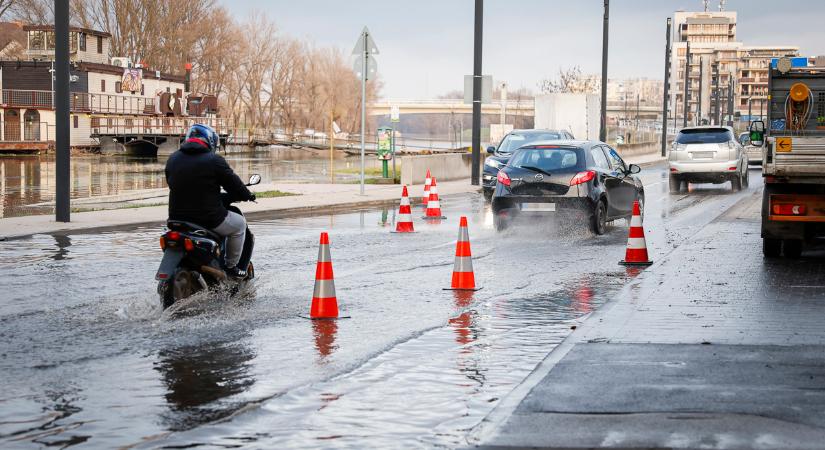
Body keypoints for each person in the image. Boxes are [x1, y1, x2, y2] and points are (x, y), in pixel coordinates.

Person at [165, 124, 255, 278]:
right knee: (239, 224)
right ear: (211, 142)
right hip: (208, 218)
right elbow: (234, 184)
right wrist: (247, 195)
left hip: (175, 219)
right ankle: (230, 267)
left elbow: (172, 183)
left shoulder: (173, 159)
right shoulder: (214, 160)